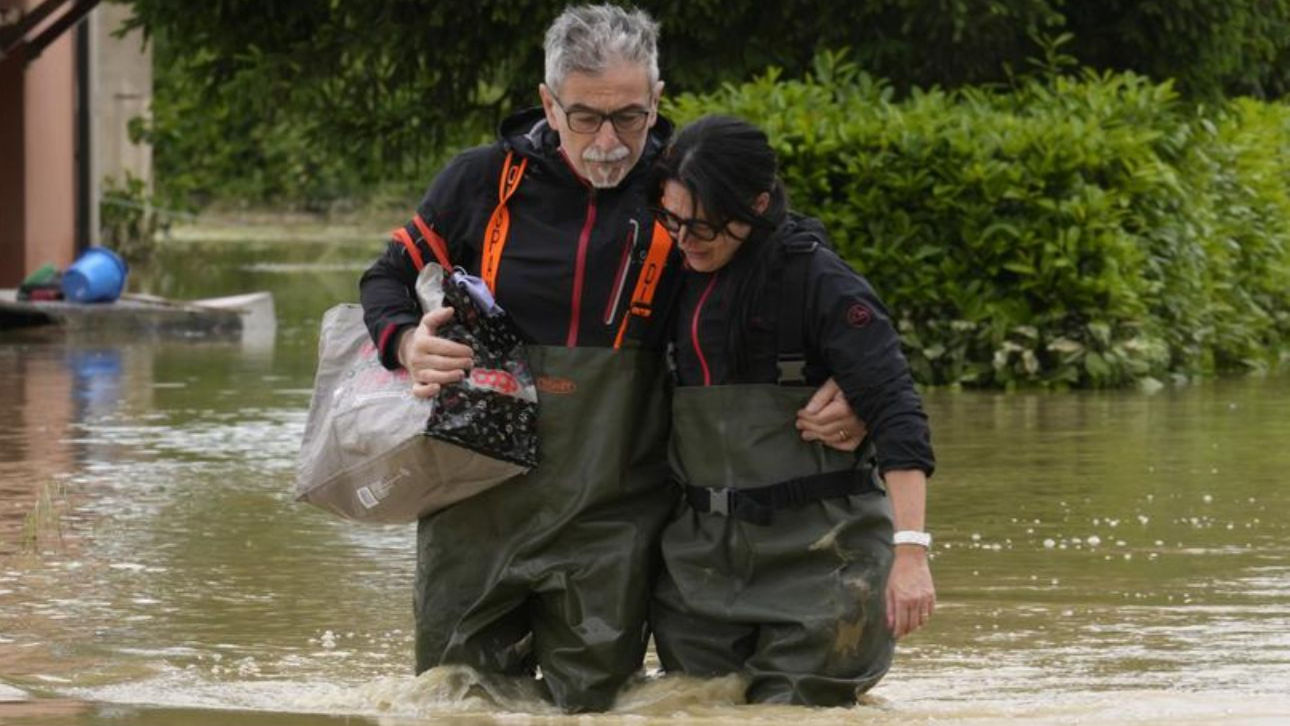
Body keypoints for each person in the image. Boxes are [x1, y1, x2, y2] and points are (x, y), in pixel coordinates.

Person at [359, 5, 865, 712]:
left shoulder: (689, 186)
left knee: (592, 707)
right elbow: (385, 277)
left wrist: (854, 381)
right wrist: (407, 341)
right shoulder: (480, 183)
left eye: (630, 117)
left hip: (617, 514)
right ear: (548, 104)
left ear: (658, 101)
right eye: (586, 117)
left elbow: (808, 277)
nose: (608, 141)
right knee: (451, 701)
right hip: (471, 508)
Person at [647, 115, 937, 706]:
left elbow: (899, 412)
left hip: (822, 565)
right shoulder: (669, 275)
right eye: (673, 220)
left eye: (703, 226)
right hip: (700, 569)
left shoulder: (819, 281)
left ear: (757, 203)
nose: (685, 239)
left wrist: (911, 556)